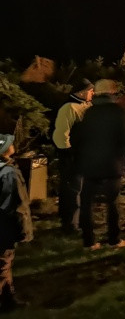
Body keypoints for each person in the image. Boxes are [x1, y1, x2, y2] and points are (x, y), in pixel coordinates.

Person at [71, 79, 125, 250]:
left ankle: (89, 241)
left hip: (89, 165)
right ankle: (114, 239)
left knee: (86, 203)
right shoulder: (118, 113)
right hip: (112, 165)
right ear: (112, 92)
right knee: (113, 204)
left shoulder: (88, 113)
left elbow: (77, 138)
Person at [52, 79, 93, 234]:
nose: (93, 94)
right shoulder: (69, 108)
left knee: (79, 188)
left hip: (83, 154)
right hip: (72, 155)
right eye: (90, 91)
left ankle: (75, 219)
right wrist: (68, 153)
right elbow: (61, 133)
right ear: (81, 92)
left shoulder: (87, 106)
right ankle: (70, 224)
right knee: (73, 188)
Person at [0, 134, 33, 313]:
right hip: (4, 228)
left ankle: (8, 300)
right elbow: (15, 205)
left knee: (5, 265)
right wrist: (22, 231)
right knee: (3, 263)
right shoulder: (8, 174)